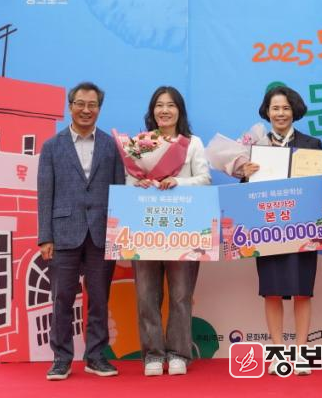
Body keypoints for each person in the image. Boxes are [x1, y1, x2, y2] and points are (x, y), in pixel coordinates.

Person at [38, 82, 125, 380]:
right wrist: (45, 237)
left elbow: (119, 190)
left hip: (102, 233)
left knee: (100, 298)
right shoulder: (52, 146)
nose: (86, 110)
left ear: (99, 108)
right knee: (62, 298)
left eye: (92, 105)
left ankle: (96, 356)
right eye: (80, 104)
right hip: (63, 232)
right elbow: (45, 193)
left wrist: (118, 234)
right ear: (70, 106)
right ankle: (61, 359)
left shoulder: (111, 146)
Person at [239, 86, 322, 376]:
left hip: (303, 229)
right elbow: (246, 195)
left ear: (294, 111)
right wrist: (245, 175)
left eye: (286, 108)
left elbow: (321, 188)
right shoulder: (255, 148)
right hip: (268, 230)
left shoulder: (312, 144)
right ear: (267, 111)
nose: (281, 113)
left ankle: (301, 353)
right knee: (272, 292)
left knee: (302, 292)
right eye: (275, 108)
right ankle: (278, 353)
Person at [128, 86, 211, 376]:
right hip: (146, 228)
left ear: (179, 111)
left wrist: (179, 182)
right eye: (159, 105)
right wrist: (137, 184)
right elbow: (127, 180)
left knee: (180, 294)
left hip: (182, 229)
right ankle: (152, 354)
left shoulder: (192, 143)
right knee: (146, 294)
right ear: (152, 111)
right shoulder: (140, 144)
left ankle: (178, 353)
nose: (165, 110)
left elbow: (204, 179)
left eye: (171, 105)